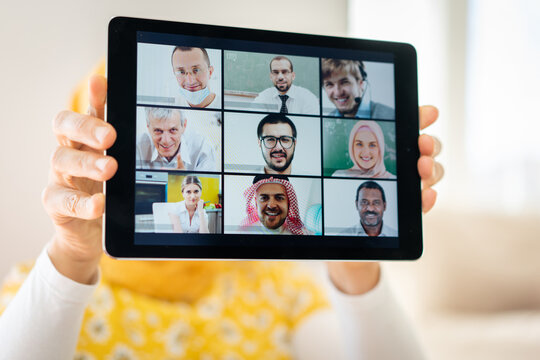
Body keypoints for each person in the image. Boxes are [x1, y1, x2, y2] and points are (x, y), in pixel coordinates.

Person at [0, 71, 443, 359]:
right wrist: (72, 259)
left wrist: (357, 262)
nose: (164, 142)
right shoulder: (41, 289)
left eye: (176, 127)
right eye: (107, 145)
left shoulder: (279, 291)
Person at [136, 107, 216, 170]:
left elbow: (208, 190)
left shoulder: (203, 148)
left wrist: (186, 181)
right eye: (158, 131)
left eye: (173, 130)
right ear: (148, 128)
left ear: (184, 125)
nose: (166, 141)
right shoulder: (138, 146)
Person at [321, 58, 394, 120]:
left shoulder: (389, 115)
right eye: (329, 84)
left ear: (360, 84)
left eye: (344, 82)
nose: (338, 92)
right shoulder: (328, 121)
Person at [239, 174, 310, 235]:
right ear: (256, 203)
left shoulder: (303, 235)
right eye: (264, 198)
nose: (271, 205)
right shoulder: (243, 233)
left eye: (279, 198)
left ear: (288, 203)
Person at [251, 56, 319, 115]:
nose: (280, 77)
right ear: (271, 76)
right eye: (275, 72)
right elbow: (253, 119)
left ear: (293, 76)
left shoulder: (308, 97)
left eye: (285, 72)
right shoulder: (263, 97)